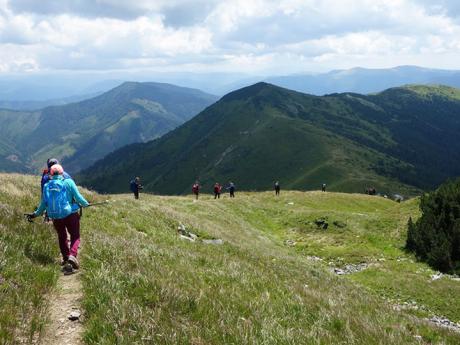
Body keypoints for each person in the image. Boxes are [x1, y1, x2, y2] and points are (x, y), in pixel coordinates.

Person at [26, 164, 90, 274]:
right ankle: (72, 255)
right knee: (75, 235)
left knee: (62, 235)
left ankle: (66, 258)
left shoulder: (46, 186)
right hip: (70, 214)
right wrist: (85, 204)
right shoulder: (68, 182)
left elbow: (43, 204)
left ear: (50, 174)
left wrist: (35, 214)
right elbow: (78, 197)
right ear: (62, 172)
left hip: (55, 216)